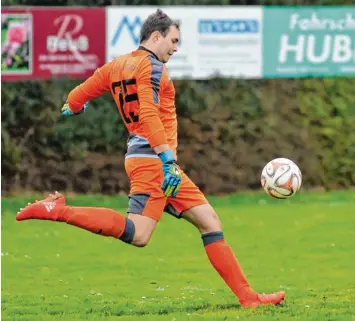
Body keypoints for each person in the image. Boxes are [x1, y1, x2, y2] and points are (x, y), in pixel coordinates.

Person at [16, 9, 285, 308]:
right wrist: (167, 159)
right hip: (155, 162)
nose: (176, 47)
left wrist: (75, 106)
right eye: (173, 40)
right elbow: (148, 113)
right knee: (138, 234)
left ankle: (248, 298)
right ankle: (58, 210)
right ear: (155, 36)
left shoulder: (116, 66)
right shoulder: (153, 67)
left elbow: (81, 92)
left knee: (210, 221)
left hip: (154, 160)